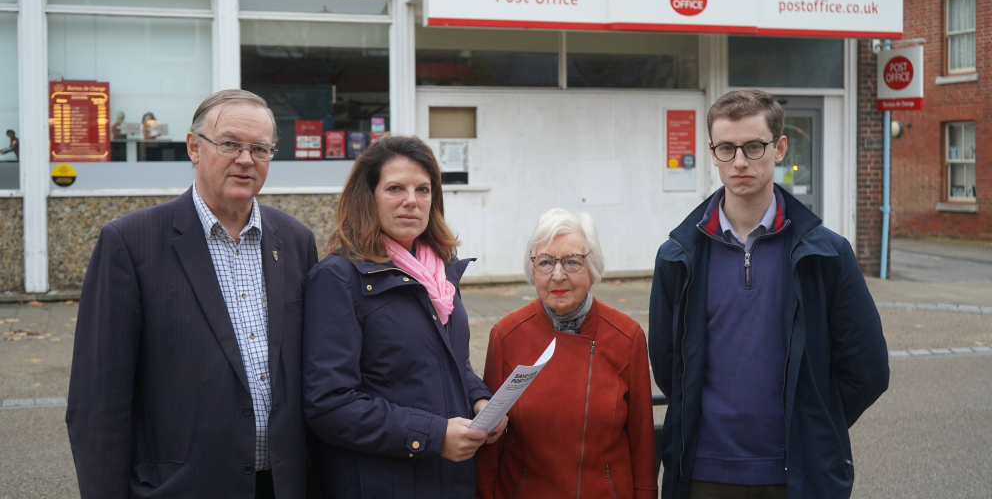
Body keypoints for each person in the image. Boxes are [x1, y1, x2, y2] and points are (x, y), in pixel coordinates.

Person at [66, 89, 318, 499]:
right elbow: (98, 403)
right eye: (230, 144)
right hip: (183, 487)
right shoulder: (130, 243)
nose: (245, 159)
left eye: (260, 148)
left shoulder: (295, 240)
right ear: (193, 147)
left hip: (284, 485)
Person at [648, 89, 889, 499]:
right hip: (703, 472)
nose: (740, 161)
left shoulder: (827, 253)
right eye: (727, 148)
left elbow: (867, 370)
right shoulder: (677, 256)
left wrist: (813, 424)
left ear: (779, 149)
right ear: (712, 153)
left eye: (753, 147)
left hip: (798, 473)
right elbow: (671, 367)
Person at [303, 134, 505, 499]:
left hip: (451, 479)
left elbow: (450, 362)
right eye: (395, 188)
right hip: (383, 483)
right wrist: (433, 436)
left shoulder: (438, 273)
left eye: (423, 190)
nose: (411, 201)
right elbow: (330, 404)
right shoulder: (338, 278)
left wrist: (481, 400)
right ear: (369, 197)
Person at [476, 208, 657, 499]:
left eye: (572, 261)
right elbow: (490, 441)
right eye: (545, 262)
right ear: (533, 269)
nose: (558, 275)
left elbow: (642, 441)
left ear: (593, 267)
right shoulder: (506, 335)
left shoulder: (627, 335)